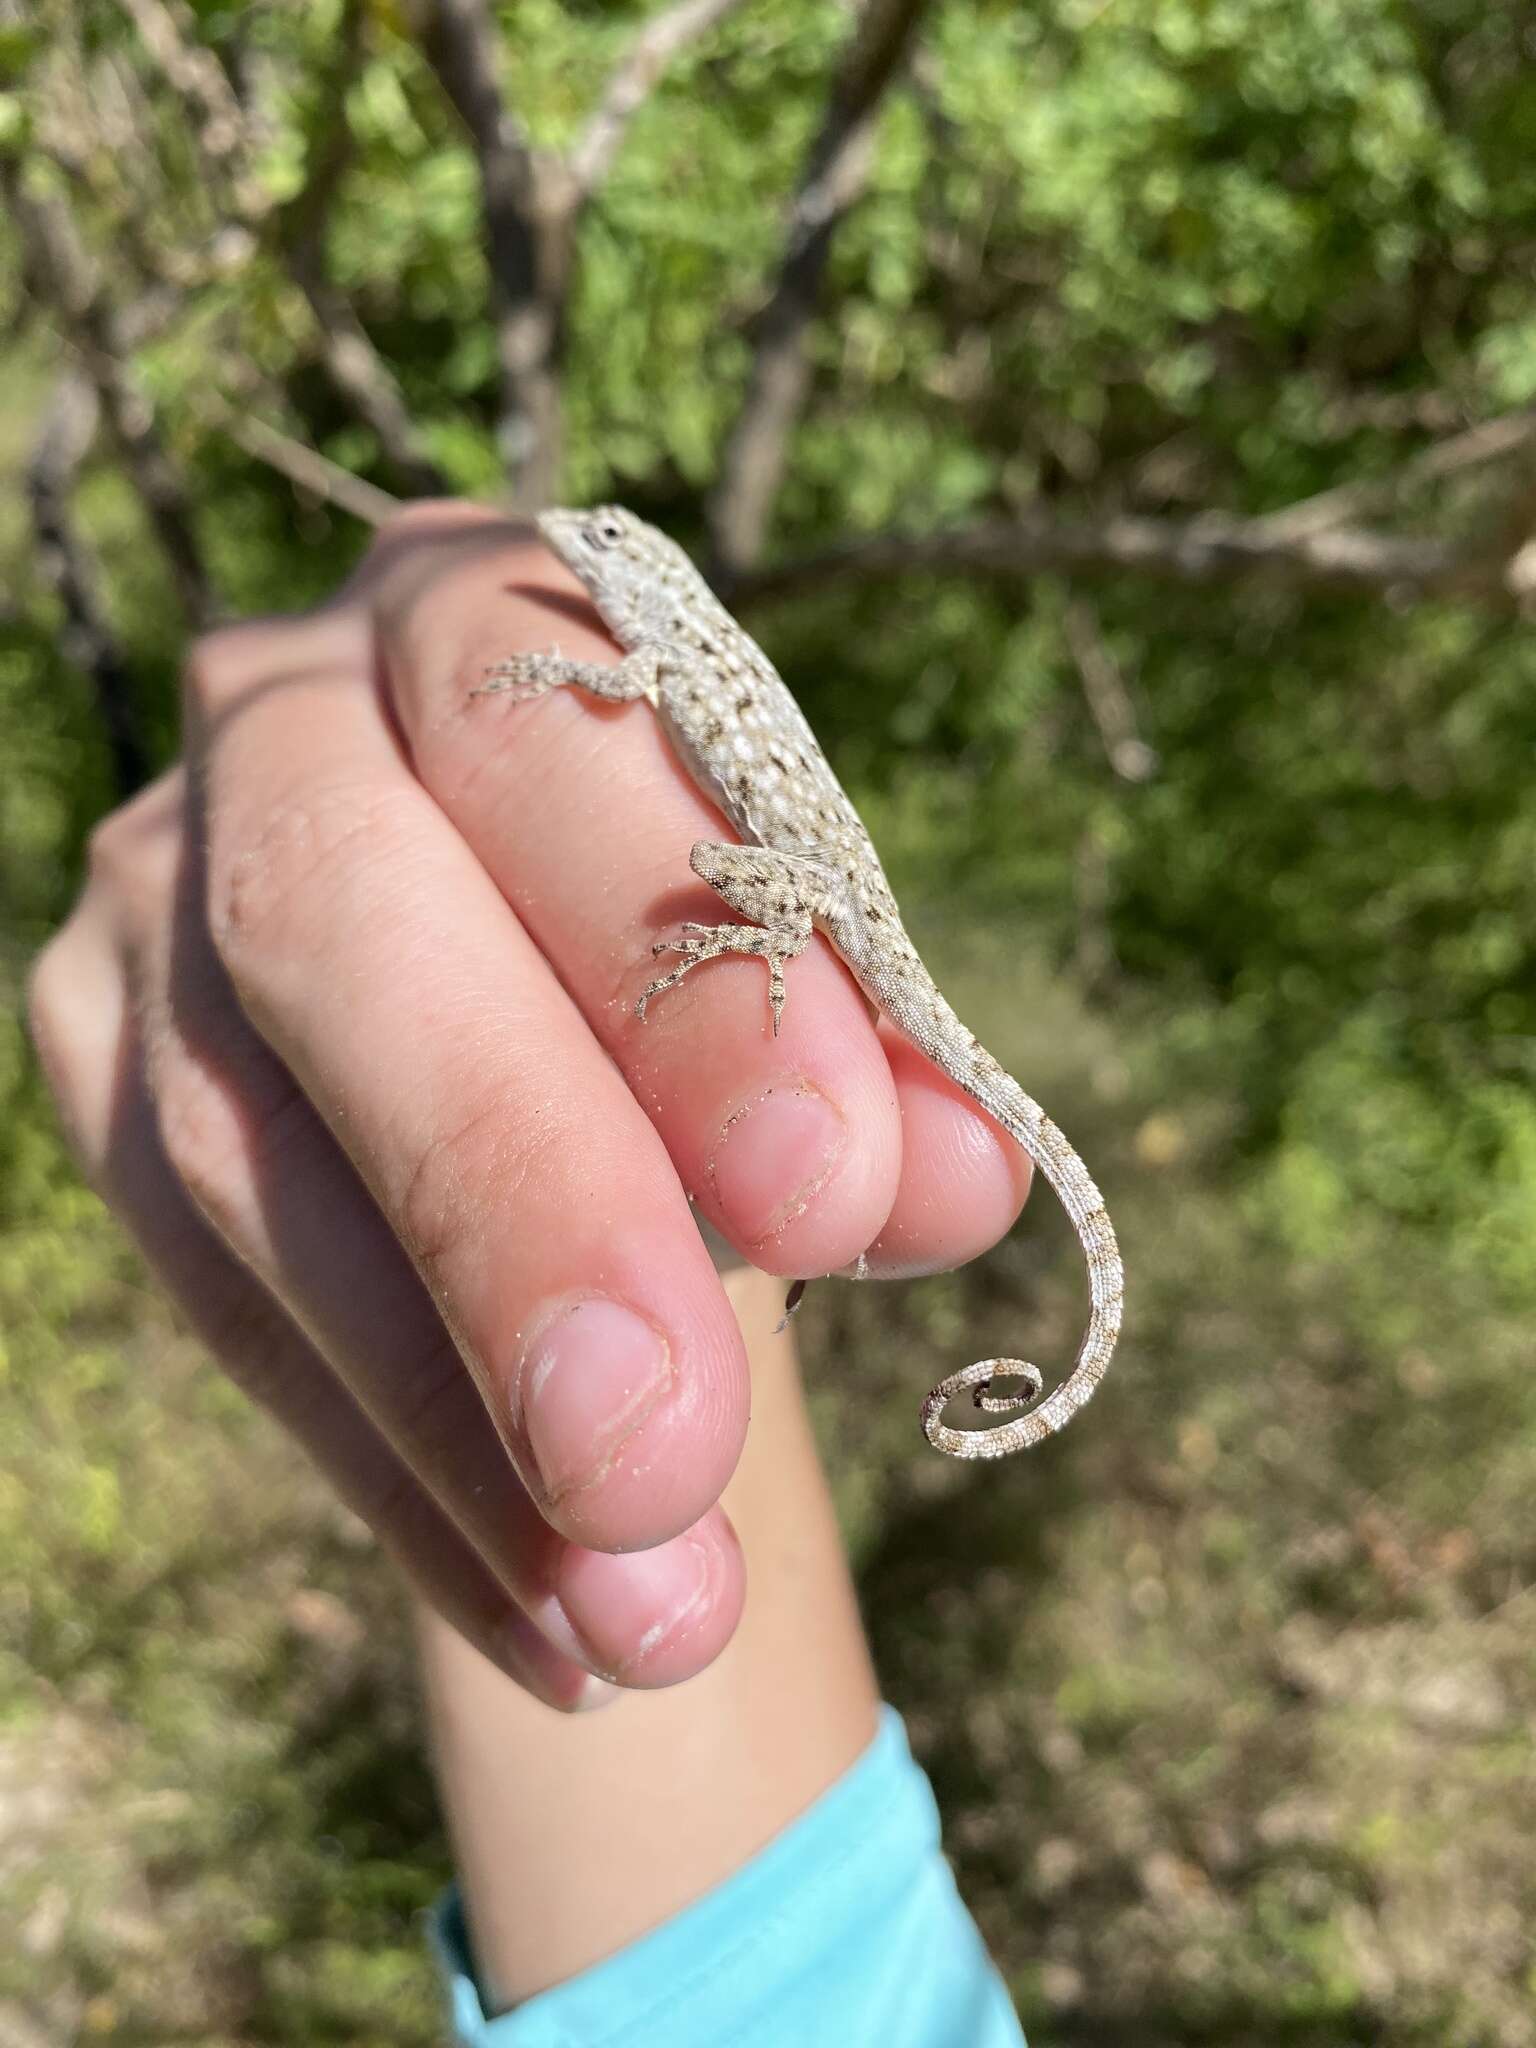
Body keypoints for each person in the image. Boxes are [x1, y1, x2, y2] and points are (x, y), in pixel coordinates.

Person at [29, 503, 1033, 2043]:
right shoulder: (662, 649)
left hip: (809, 877)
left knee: (718, 901)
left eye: (610, 542)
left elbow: (632, 697)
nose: (588, 547)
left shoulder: (661, 647)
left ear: (649, 581)